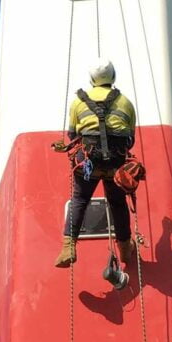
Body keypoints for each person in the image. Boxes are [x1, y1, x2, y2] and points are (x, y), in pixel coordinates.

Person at [56, 60, 138, 270]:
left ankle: (68, 247)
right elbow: (130, 137)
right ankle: (125, 249)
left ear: (92, 79)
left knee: (80, 200)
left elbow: (72, 134)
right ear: (113, 77)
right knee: (117, 202)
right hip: (116, 163)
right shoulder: (126, 102)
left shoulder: (78, 102)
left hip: (87, 161)